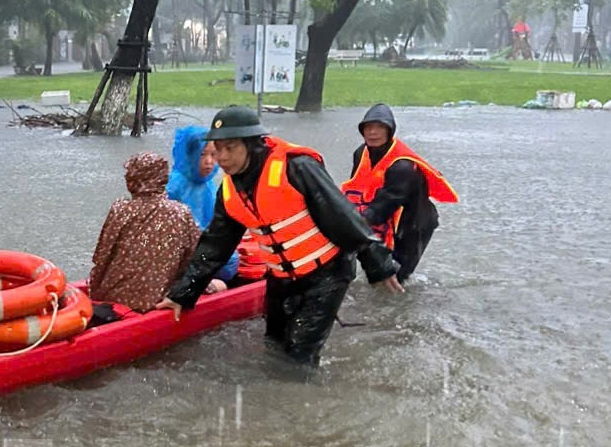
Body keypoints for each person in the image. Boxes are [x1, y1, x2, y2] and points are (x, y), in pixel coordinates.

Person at [155, 107, 402, 368]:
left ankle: (301, 404)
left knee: (298, 358)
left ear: (251, 144)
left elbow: (343, 217)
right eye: (218, 149)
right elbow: (215, 246)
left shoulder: (297, 167)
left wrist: (378, 264)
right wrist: (183, 293)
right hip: (280, 279)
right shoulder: (228, 191)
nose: (222, 158)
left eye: (230, 148)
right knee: (273, 344)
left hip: (326, 275)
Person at [341, 104, 458, 283]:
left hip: (414, 225)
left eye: (380, 127)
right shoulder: (360, 153)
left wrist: (354, 224)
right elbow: (357, 188)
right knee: (374, 272)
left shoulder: (402, 166)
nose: (373, 132)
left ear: (390, 131)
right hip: (381, 216)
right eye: (368, 127)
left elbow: (386, 203)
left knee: (397, 276)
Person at [89, 152, 203, 313]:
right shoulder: (181, 212)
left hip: (112, 295)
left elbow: (101, 256)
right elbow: (195, 258)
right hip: (154, 299)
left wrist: (93, 290)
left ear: (135, 179)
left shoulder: (120, 209)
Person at [167, 125, 239, 287]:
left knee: (231, 260)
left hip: (202, 243)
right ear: (189, 155)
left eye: (214, 155)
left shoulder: (207, 184)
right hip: (181, 249)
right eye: (202, 155)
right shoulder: (175, 184)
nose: (209, 162)